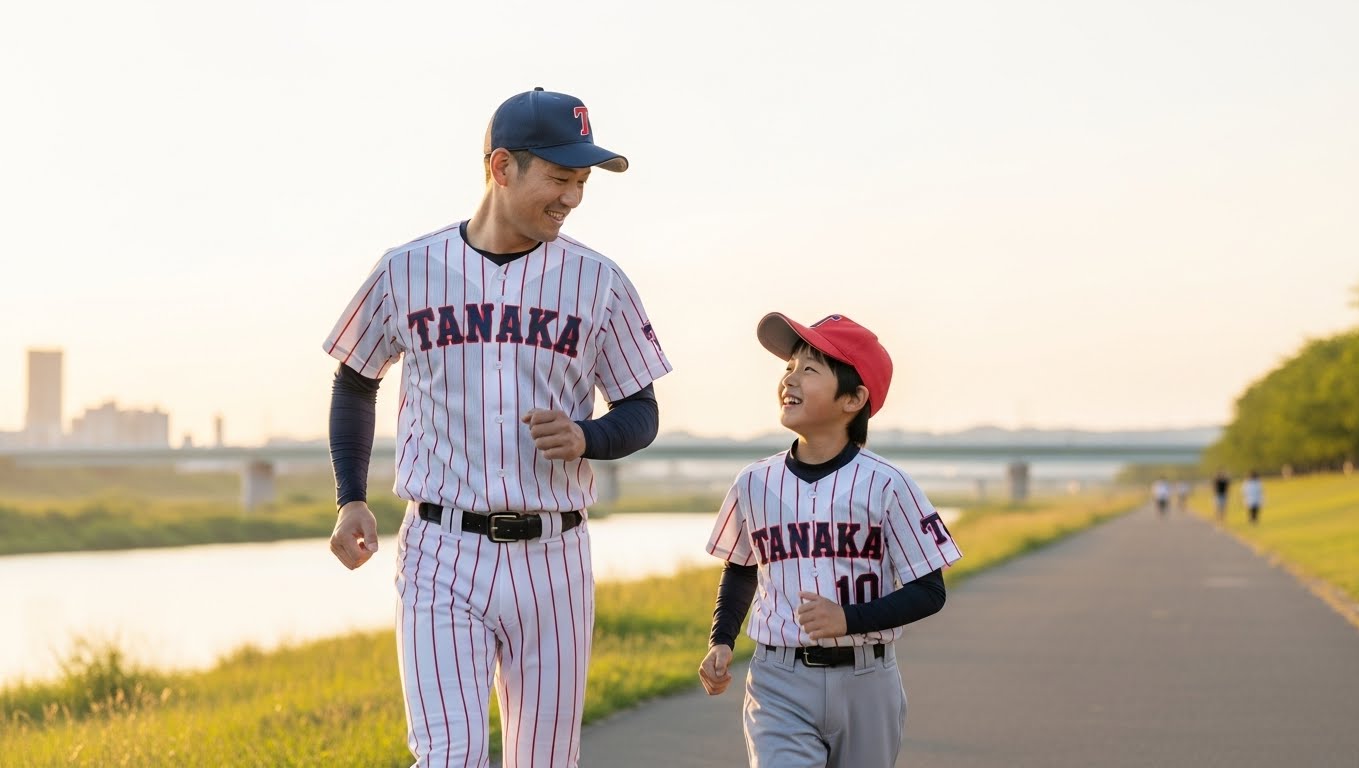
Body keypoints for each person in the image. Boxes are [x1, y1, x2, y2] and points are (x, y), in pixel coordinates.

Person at [323, 87, 672, 767]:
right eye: (560, 178)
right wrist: (350, 497)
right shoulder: (407, 270)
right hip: (441, 549)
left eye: (582, 182)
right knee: (448, 757)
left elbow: (641, 410)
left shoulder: (599, 282)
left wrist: (589, 437)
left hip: (555, 556)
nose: (572, 197)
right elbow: (356, 380)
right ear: (502, 166)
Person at [698, 313, 963, 768]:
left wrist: (847, 619)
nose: (790, 378)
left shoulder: (887, 484)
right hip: (778, 679)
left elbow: (929, 590)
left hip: (867, 680)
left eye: (810, 369)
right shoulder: (754, 482)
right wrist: (721, 639)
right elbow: (741, 569)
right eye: (789, 367)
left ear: (853, 398)